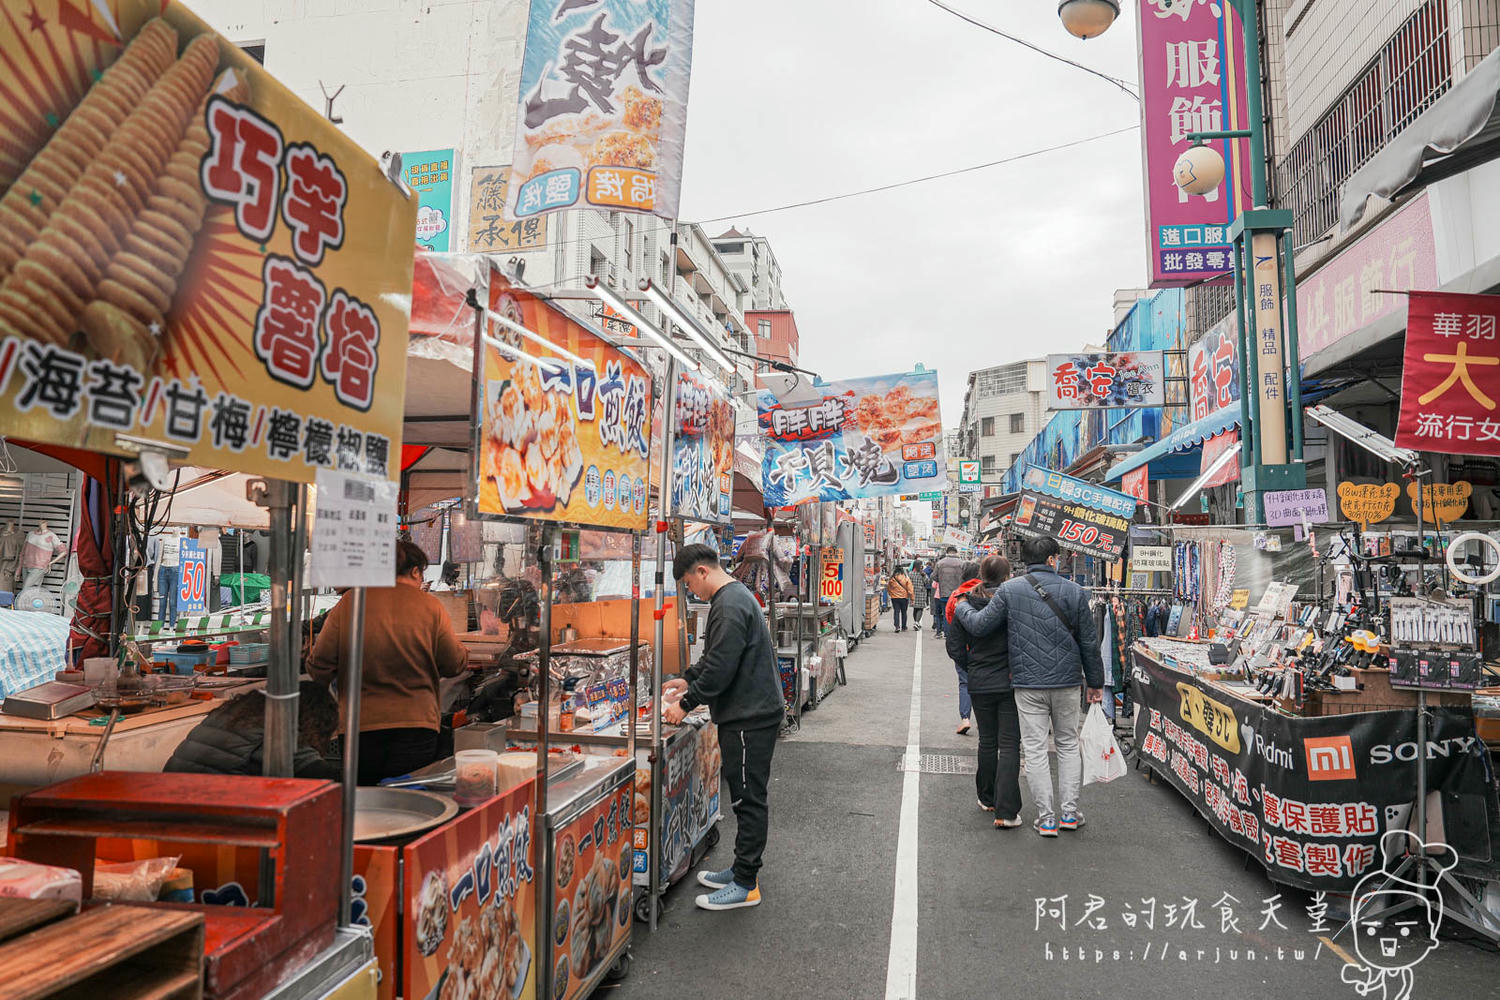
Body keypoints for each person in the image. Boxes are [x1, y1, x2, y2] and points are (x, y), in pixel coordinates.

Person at [953, 535, 1104, 837]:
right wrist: (1096, 683)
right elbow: (1089, 642)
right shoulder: (1076, 591)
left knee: (1034, 750)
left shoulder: (1010, 590)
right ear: (1052, 560)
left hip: (1027, 683)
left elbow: (981, 625)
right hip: (1067, 681)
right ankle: (1070, 814)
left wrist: (961, 608)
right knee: (1067, 744)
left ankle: (1047, 819)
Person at [663, 544, 783, 911]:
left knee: (748, 799)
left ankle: (746, 883)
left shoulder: (729, 604)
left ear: (701, 572)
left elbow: (720, 669)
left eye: (687, 583)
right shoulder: (732, 597)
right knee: (745, 796)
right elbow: (716, 658)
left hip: (750, 715)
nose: (690, 591)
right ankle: (740, 869)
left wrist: (684, 704)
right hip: (750, 711)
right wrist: (689, 680)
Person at [309, 539, 469, 784]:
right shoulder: (430, 606)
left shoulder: (351, 602)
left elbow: (319, 664)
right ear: (415, 571)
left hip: (359, 726)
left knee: (365, 804)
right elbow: (454, 664)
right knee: (410, 804)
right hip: (416, 725)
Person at [946, 556, 1024, 827]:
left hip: (980, 681)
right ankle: (1006, 811)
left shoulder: (966, 603)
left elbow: (954, 647)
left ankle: (986, 798)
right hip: (1010, 681)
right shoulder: (1014, 601)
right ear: (1007, 576)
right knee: (1010, 744)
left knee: (987, 741)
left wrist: (972, 666)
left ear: (981, 574)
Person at [166, 681, 341, 779]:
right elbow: (324, 778)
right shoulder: (276, 734)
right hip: (204, 817)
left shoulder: (234, 714)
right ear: (314, 721)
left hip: (167, 804)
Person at [20, 520, 66, 593]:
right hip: (26, 565)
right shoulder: (30, 534)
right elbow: (23, 552)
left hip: (39, 567)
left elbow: (63, 551)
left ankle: (21, 604)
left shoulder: (51, 536)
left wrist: (50, 563)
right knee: (32, 590)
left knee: (26, 589)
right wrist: (18, 569)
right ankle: (29, 604)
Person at [931, 547, 965, 638]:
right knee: (957, 613)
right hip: (958, 594)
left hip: (944, 593)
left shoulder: (940, 563)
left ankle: (947, 633)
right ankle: (956, 633)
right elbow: (965, 577)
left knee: (946, 613)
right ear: (956, 552)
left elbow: (934, 577)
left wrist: (941, 579)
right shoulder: (962, 563)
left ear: (947, 552)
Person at [886, 564, 914, 632]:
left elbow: (889, 588)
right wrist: (912, 598)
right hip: (904, 597)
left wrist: (891, 594)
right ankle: (904, 627)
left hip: (895, 598)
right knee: (904, 612)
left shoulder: (892, 578)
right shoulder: (905, 578)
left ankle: (897, 626)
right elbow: (910, 589)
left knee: (896, 612)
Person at [909, 561, 930, 631]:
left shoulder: (910, 573)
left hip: (913, 593)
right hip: (921, 592)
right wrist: (924, 575)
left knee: (915, 608)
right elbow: (927, 582)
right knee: (920, 608)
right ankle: (917, 622)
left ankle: (916, 622)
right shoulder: (922, 574)